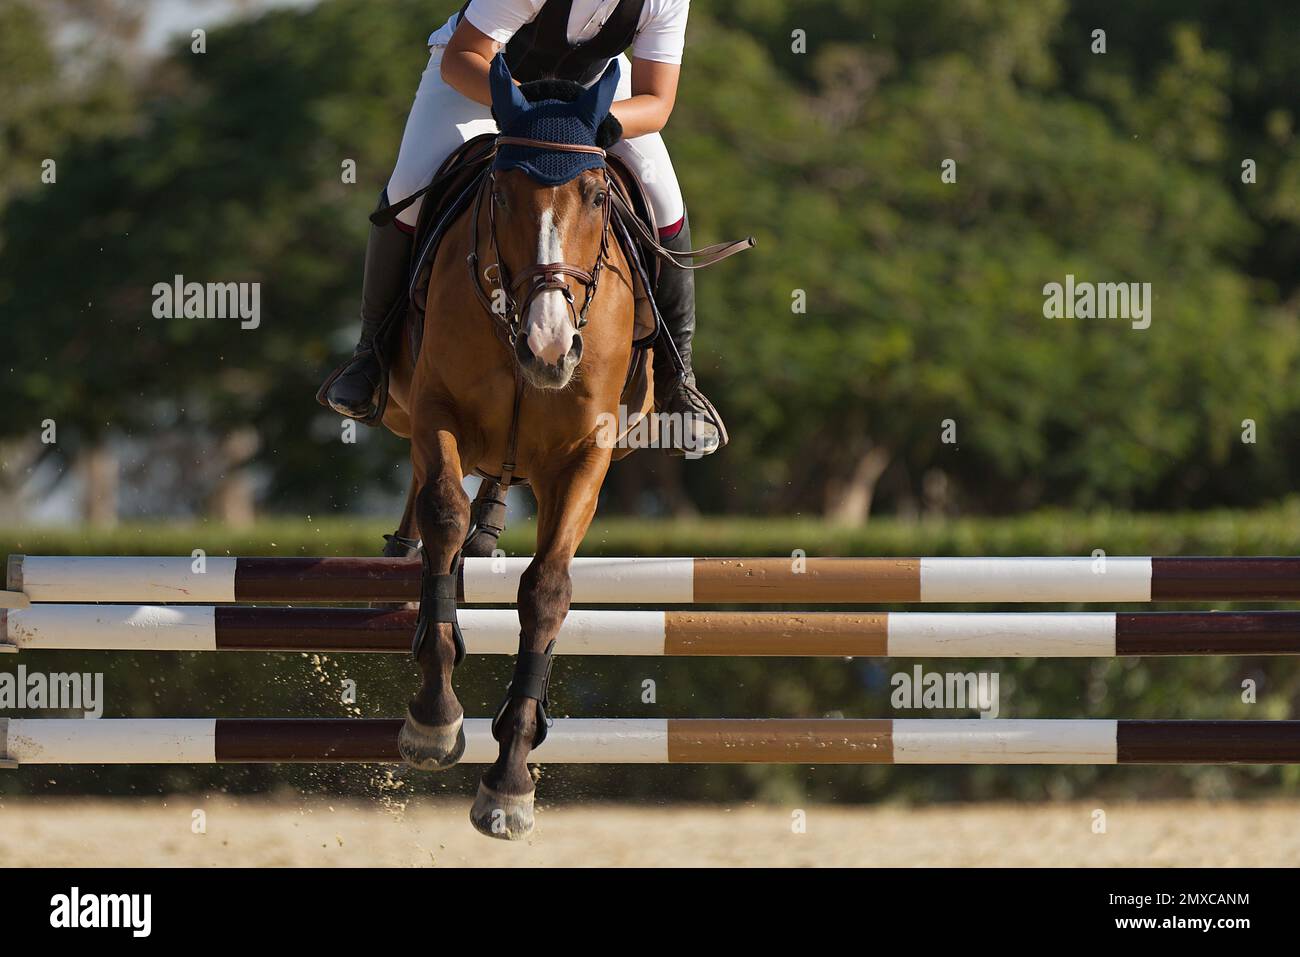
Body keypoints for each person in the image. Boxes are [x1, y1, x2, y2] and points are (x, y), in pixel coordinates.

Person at [323, 0, 722, 454]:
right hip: (479, 77)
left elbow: (657, 101)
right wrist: (531, 113)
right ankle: (370, 355)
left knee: (664, 200)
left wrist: (603, 123)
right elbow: (463, 58)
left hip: (589, 90)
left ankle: (678, 378)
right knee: (408, 188)